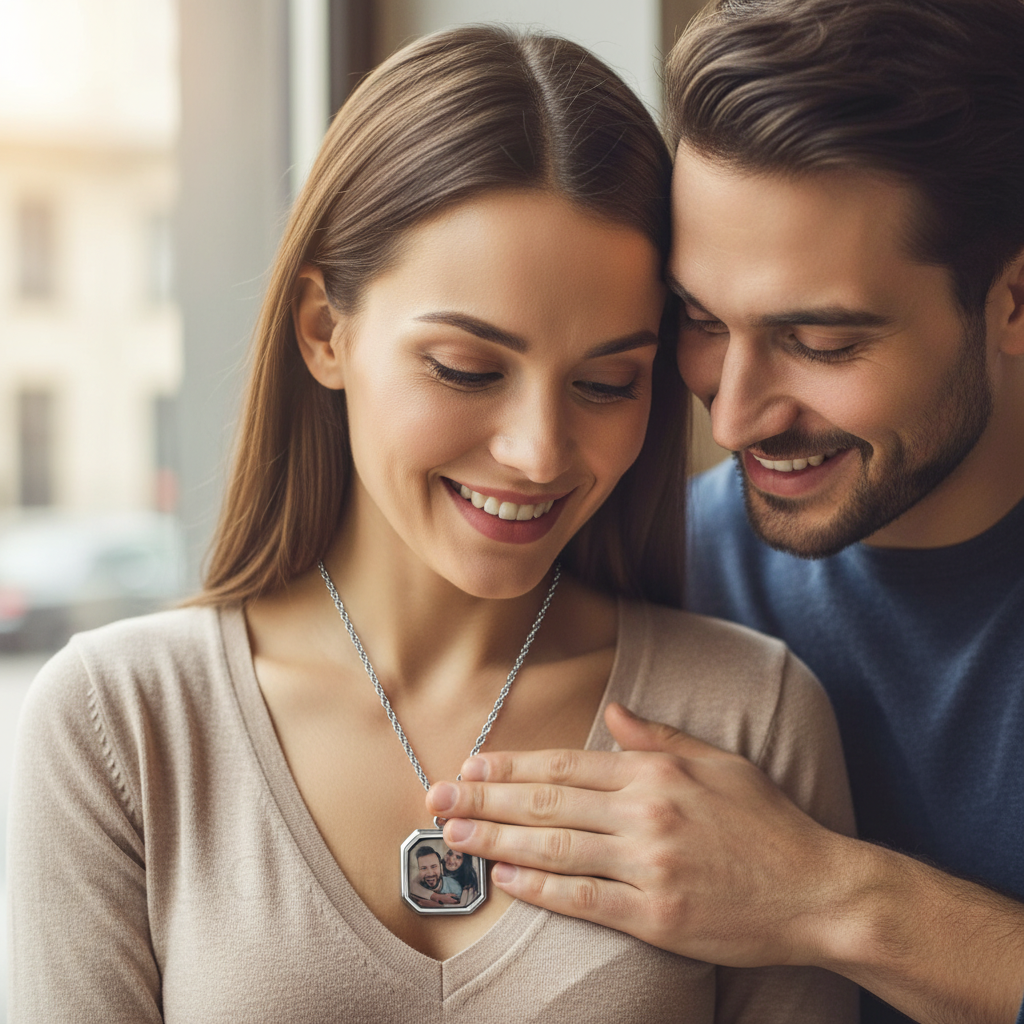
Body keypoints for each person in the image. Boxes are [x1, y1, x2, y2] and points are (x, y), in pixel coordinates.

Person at [7, 23, 856, 1024]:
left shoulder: (746, 717)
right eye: (467, 369)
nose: (539, 452)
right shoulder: (121, 725)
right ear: (326, 330)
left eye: (604, 381)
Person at [424, 3, 1024, 1023]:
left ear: (1011, 302)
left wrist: (828, 896)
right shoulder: (640, 559)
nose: (734, 412)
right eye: (698, 321)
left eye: (822, 344)